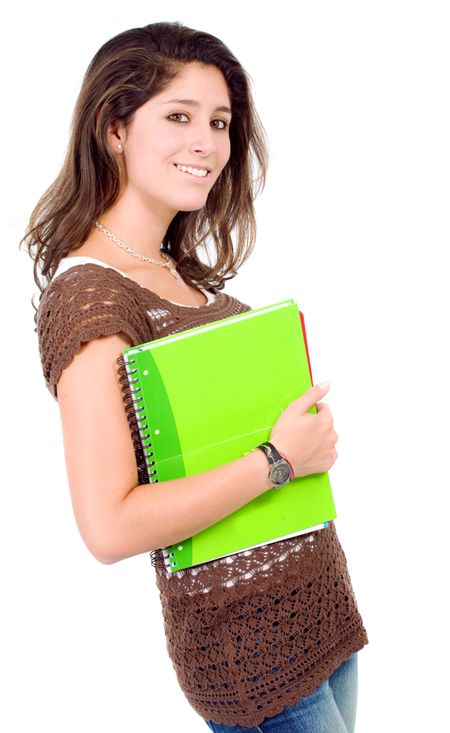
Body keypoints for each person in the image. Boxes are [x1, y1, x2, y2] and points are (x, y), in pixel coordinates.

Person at [22, 21, 368, 732]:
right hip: (252, 653)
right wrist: (278, 459)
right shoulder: (91, 295)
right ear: (114, 128)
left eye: (219, 121)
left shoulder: (184, 276)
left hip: (320, 615)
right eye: (177, 117)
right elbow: (108, 524)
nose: (206, 143)